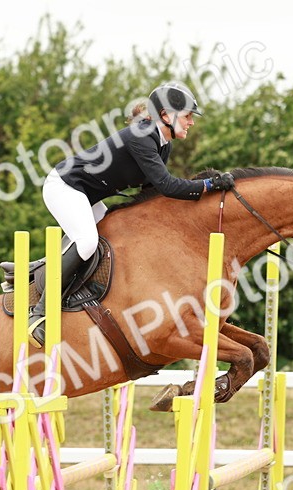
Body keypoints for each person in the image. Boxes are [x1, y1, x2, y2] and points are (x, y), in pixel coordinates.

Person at [30, 82, 236, 345]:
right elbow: (167, 185)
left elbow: (151, 195)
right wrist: (209, 185)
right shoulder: (141, 136)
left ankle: (37, 270)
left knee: (107, 238)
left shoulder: (163, 145)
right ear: (165, 115)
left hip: (87, 195)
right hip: (65, 186)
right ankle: (40, 315)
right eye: (186, 116)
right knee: (87, 242)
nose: (191, 122)